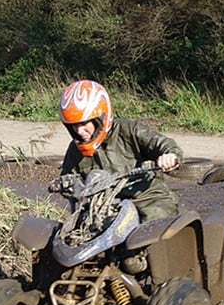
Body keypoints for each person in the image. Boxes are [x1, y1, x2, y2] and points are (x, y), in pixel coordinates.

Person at [55, 79, 183, 222]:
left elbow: (162, 144)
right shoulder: (75, 149)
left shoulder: (129, 130)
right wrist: (64, 185)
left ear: (100, 117)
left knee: (155, 224)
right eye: (74, 125)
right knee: (75, 233)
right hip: (105, 206)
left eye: (84, 123)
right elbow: (67, 178)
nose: (79, 131)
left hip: (148, 198)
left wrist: (170, 156)